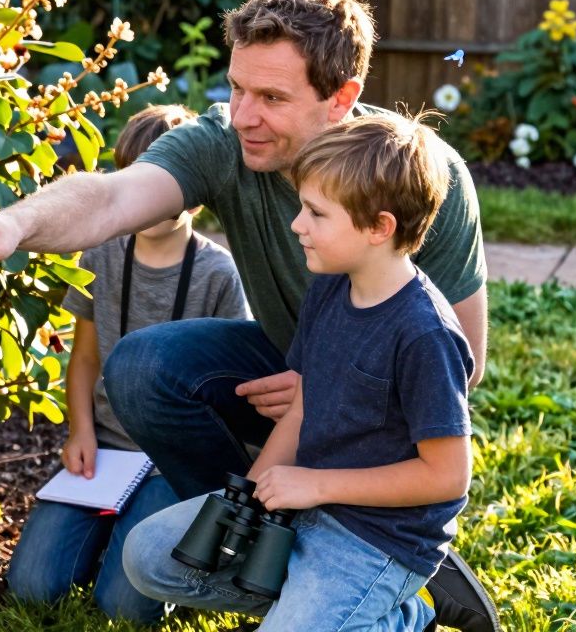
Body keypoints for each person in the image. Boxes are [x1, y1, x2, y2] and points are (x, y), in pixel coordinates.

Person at [0, 0, 500, 631]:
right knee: (140, 369)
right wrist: (14, 225)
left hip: (377, 406)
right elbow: (111, 196)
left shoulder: (418, 180)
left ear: (341, 98)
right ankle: (266, 533)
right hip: (290, 367)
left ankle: (375, 573)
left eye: (271, 97)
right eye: (237, 88)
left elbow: (461, 361)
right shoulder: (227, 144)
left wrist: (330, 399)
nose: (243, 115)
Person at [123, 114, 474, 630]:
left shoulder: (425, 334)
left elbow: (447, 476)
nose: (297, 225)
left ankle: (405, 616)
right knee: (148, 556)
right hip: (308, 505)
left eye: (315, 213)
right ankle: (318, 612)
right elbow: (306, 399)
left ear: (379, 227)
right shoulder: (333, 284)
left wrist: (315, 485)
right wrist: (256, 489)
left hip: (378, 540)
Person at [6, 105, 251, 623]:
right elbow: (85, 356)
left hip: (175, 457)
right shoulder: (102, 255)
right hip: (107, 449)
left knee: (123, 607)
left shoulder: (219, 273)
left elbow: (236, 386)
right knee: (31, 586)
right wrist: (80, 431)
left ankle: (142, 541)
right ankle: (110, 532)